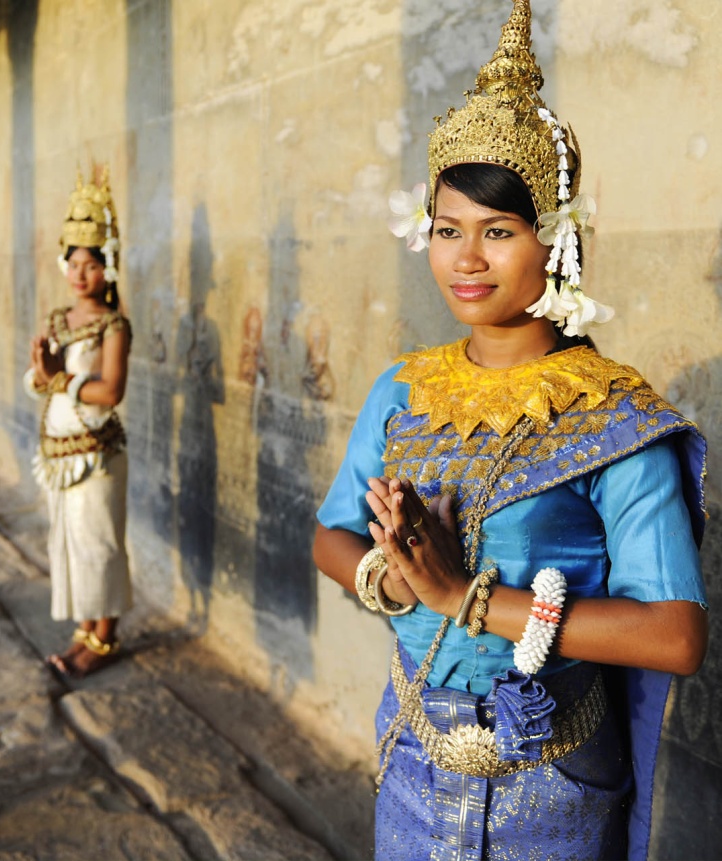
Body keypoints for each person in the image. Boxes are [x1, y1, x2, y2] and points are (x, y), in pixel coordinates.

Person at [312, 3, 708, 859]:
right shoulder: (402, 390)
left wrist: (465, 598)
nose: (466, 260)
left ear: (557, 241)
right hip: (414, 751)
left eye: (499, 232)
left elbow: (675, 634)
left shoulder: (615, 414)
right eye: (448, 231)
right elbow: (330, 535)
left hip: (552, 779)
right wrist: (393, 576)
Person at [23, 166, 132, 679]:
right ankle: (84, 631)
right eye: (73, 262)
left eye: (90, 264)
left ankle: (104, 640)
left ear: (107, 268)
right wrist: (44, 376)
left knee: (100, 544)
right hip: (58, 453)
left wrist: (58, 377)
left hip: (97, 454)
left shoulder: (114, 325)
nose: (80, 273)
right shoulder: (56, 320)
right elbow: (40, 378)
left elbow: (109, 393)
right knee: (70, 543)